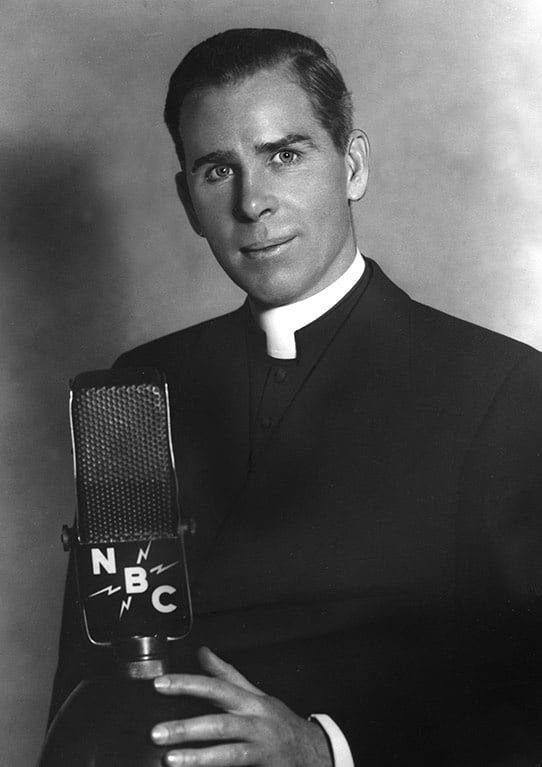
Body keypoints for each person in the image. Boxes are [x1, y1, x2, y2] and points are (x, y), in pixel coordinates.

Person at [50, 28, 542, 766]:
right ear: (188, 201)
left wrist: (324, 750)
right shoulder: (139, 389)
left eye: (284, 155)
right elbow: (84, 684)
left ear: (352, 166)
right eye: (219, 170)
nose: (253, 203)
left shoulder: (502, 390)